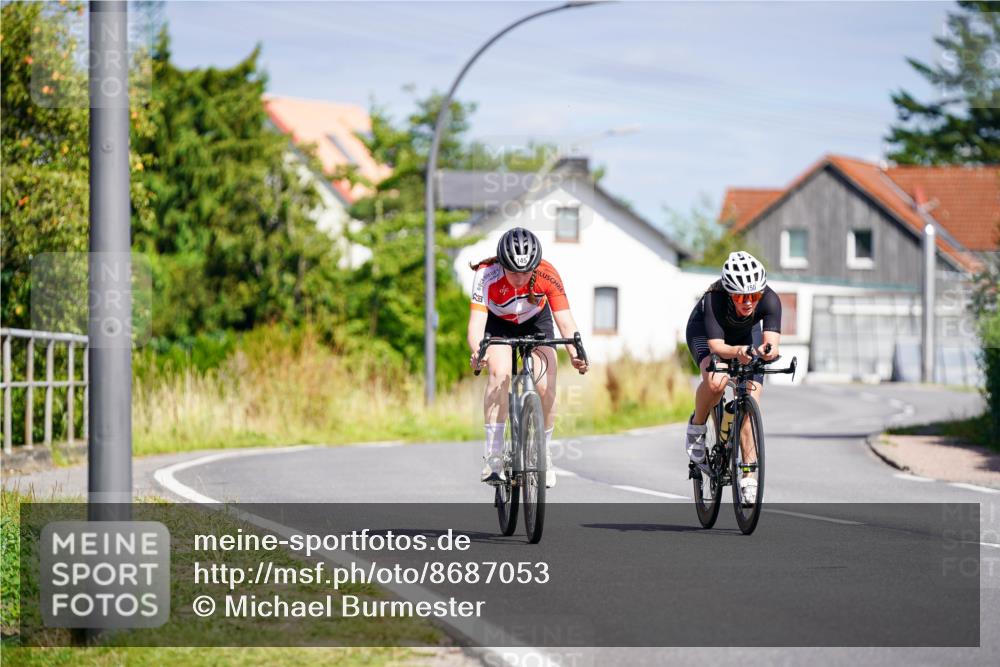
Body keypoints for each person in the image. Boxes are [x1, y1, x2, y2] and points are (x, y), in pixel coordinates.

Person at [468, 227, 589, 489]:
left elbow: (565, 322)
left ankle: (543, 453)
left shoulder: (547, 273)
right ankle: (494, 456)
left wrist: (575, 354)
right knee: (500, 374)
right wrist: (478, 352)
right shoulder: (486, 274)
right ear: (502, 265)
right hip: (499, 325)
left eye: (526, 272)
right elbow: (476, 325)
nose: (520, 278)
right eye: (513, 272)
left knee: (545, 383)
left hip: (536, 323)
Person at [684, 251, 782, 504]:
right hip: (705, 332)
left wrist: (766, 351)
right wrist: (739, 352)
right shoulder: (714, 299)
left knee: (751, 401)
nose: (748, 302)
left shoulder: (770, 299)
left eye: (754, 296)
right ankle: (697, 427)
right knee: (715, 382)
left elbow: (772, 344)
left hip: (745, 335)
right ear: (729, 293)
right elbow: (717, 347)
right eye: (740, 296)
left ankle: (748, 477)